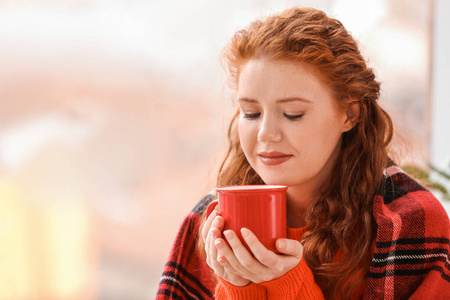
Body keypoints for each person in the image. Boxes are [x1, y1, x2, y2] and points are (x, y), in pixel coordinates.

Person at [156, 7, 450, 299]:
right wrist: (239, 288)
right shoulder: (208, 224)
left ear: (349, 114)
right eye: (251, 113)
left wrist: (288, 283)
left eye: (293, 114)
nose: (265, 134)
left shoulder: (408, 223)